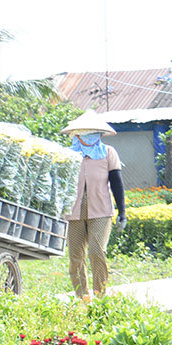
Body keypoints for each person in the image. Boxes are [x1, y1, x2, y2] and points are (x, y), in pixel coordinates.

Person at [62, 110, 126, 302]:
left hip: (101, 209)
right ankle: (82, 298)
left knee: (97, 251)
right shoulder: (69, 155)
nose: (88, 136)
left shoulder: (107, 153)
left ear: (99, 134)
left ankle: (100, 296)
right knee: (76, 257)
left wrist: (122, 212)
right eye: (84, 132)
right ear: (77, 134)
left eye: (92, 132)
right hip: (74, 211)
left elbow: (117, 183)